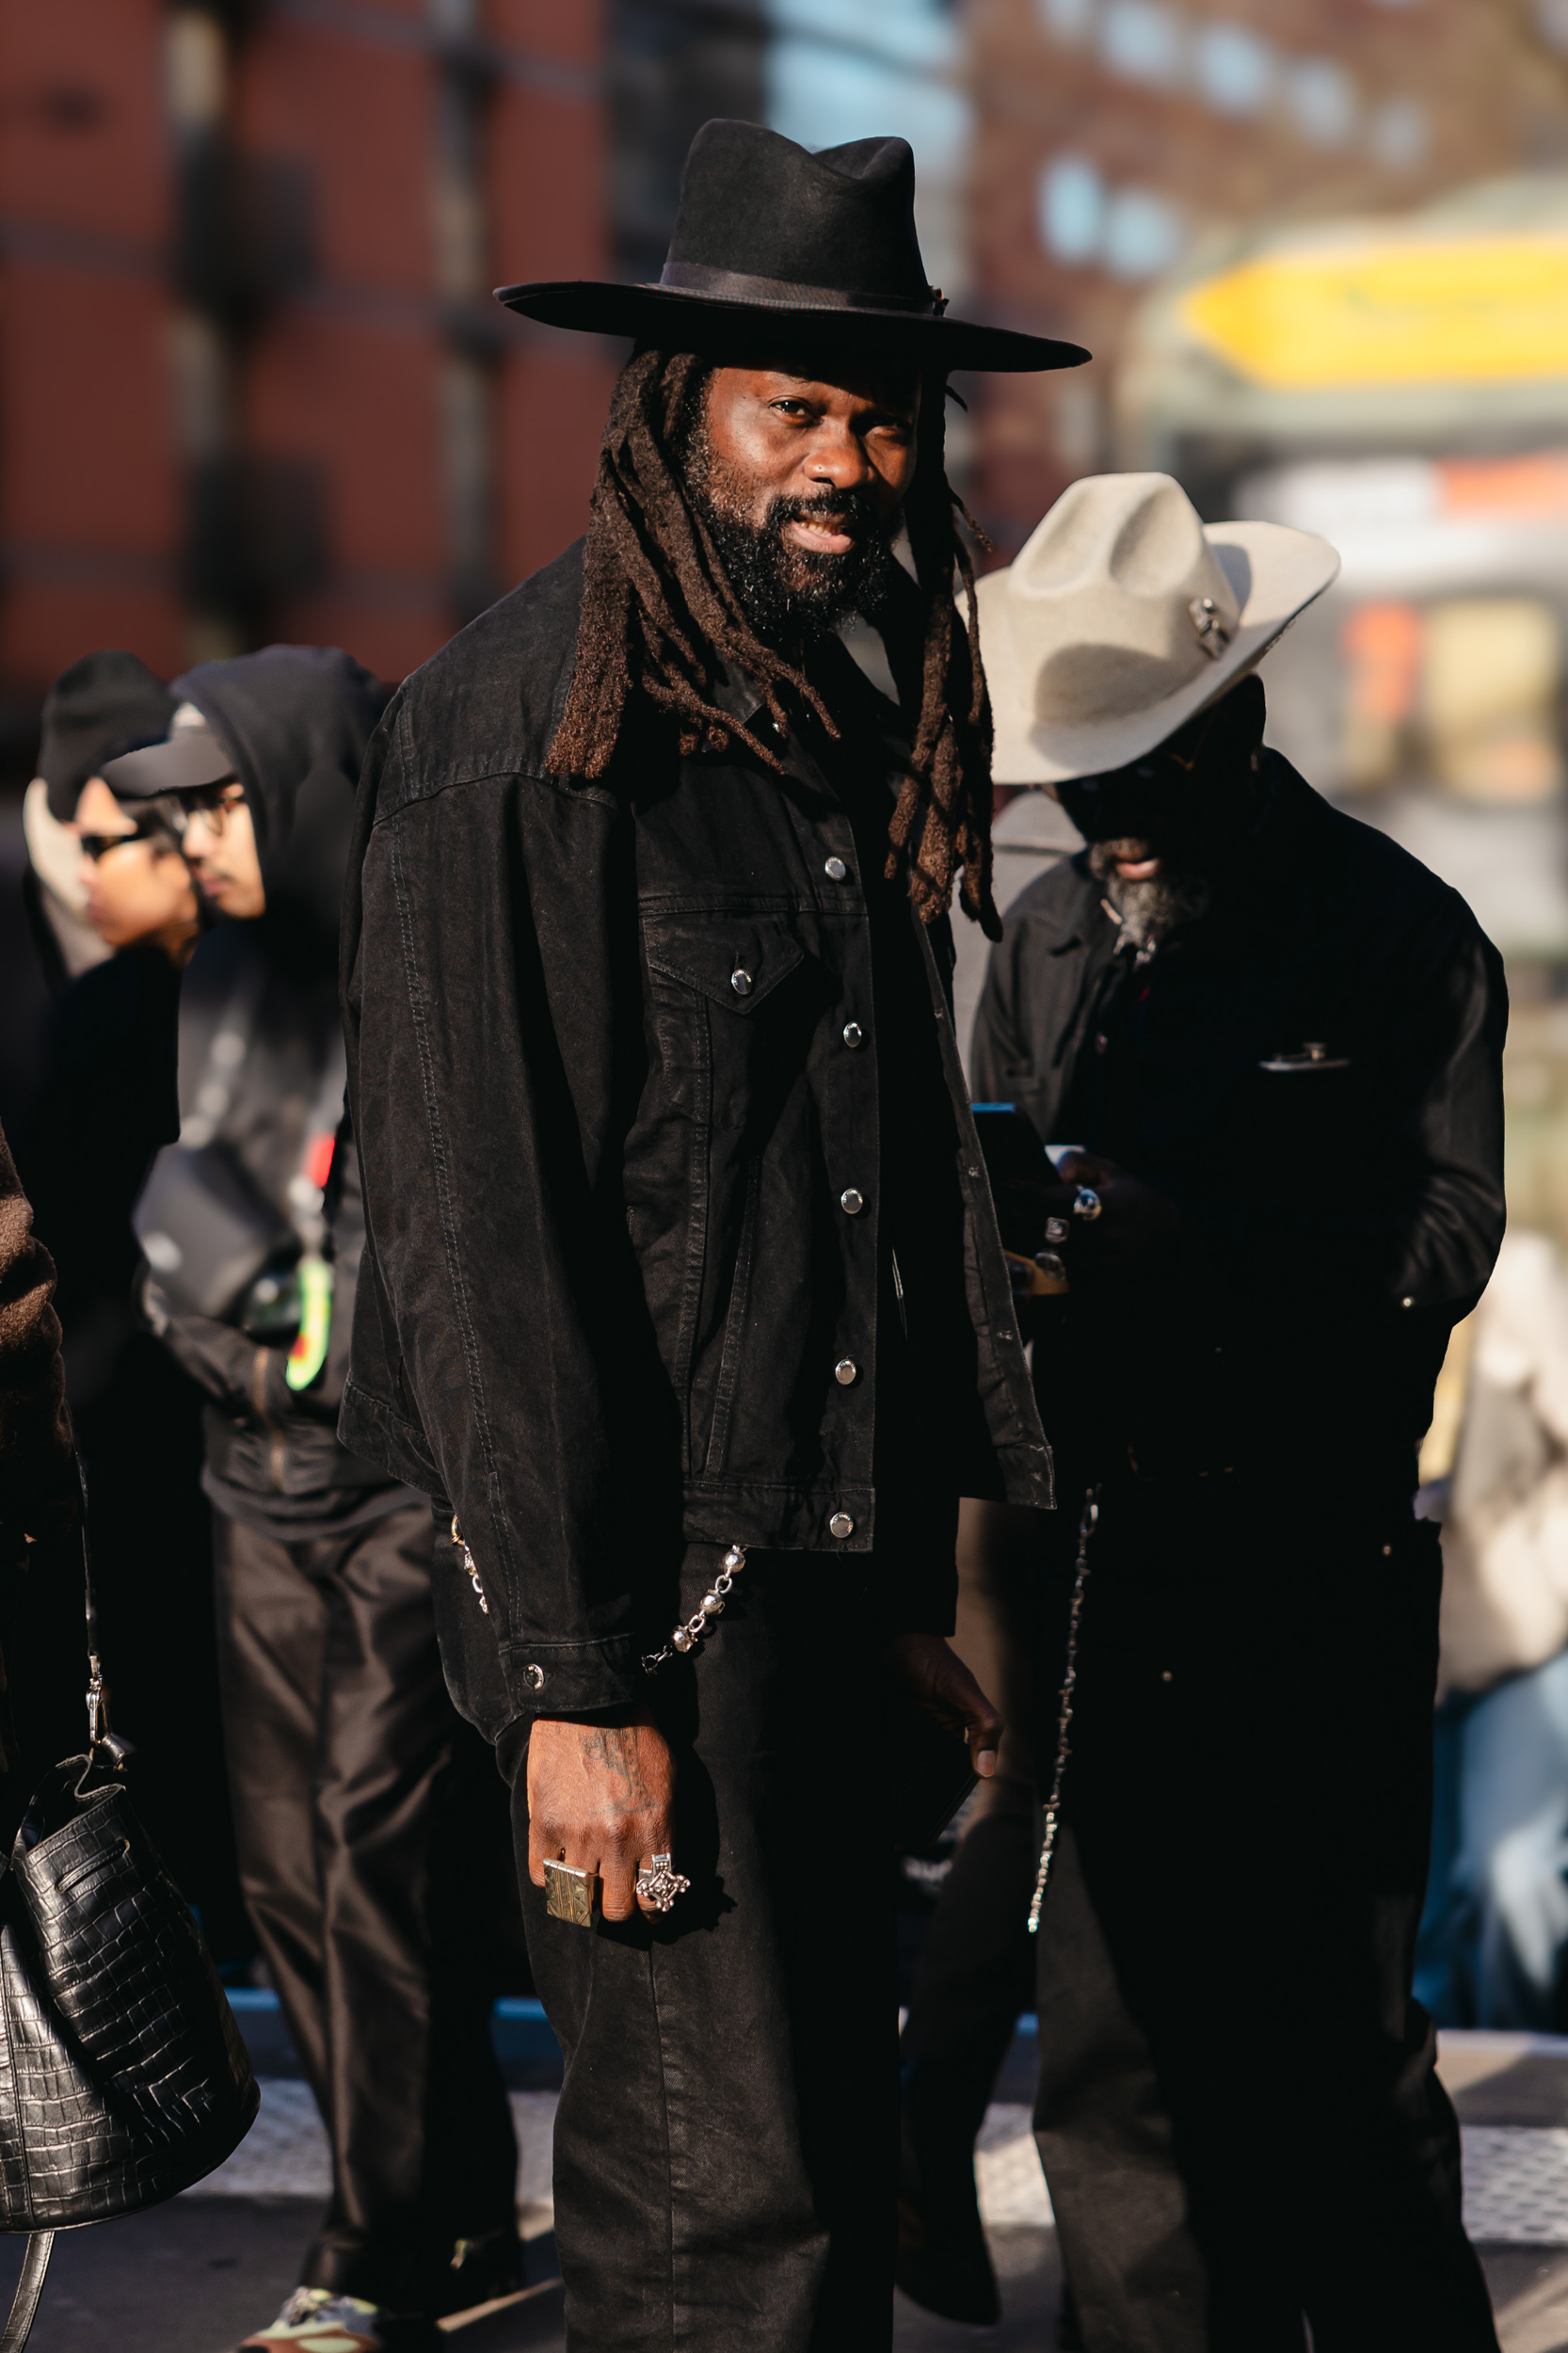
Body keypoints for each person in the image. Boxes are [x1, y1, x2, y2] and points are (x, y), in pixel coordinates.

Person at [340, 118, 1080, 2352]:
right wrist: (579, 1687)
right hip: (638, 1607)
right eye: (797, 410)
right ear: (677, 422)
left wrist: (889, 1582)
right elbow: (480, 1247)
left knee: (818, 2188)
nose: (851, 459)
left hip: (805, 1585)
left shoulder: (814, 724)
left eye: (882, 410)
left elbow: (845, 1194)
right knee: (709, 2229)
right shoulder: (519, 736)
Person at [970, 472, 1508, 2352]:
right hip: (1088, 1576)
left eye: (1118, 766)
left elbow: (1439, 1237)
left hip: (1303, 1562)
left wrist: (1181, 1240)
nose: (1086, 812)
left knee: (1334, 2059)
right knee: (1111, 2076)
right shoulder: (1037, 935)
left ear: (1219, 721)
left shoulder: (1396, 931)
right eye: (1065, 772)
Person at [102, 650, 520, 2353]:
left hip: (403, 1481)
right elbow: (194, 1169)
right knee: (284, 1878)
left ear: (304, 787)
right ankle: (461, 2200)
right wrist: (196, 1293)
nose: (189, 837)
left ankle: (373, 2246)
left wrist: (321, 1321)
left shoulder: (442, 960)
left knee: (373, 1857)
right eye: (176, 808)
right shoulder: (220, 973)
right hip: (244, 1473)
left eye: (215, 802)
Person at [1417, 1229, 1568, 2030]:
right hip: (1396, 1635)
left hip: (1521, 1634)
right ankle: (1428, 2094)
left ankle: (1530, 2068)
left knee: (1518, 1878)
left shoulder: (1523, 1273)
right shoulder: (1320, 1258)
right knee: (1411, 1904)